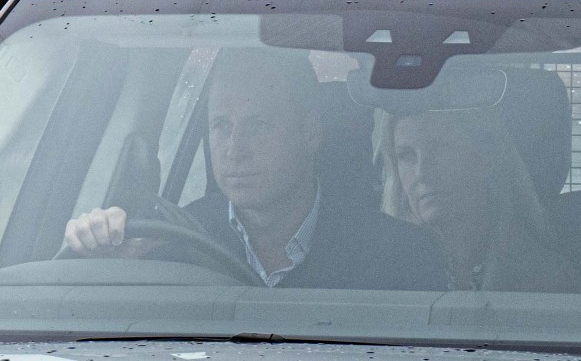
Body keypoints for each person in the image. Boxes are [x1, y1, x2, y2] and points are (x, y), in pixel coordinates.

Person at [64, 48, 446, 291]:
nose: (234, 150)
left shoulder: (401, 257)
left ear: (310, 133)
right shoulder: (165, 245)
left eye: (258, 125)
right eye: (221, 126)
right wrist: (101, 257)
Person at [373, 106, 581, 293]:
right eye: (406, 156)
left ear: (486, 158)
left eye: (441, 148)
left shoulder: (544, 279)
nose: (422, 172)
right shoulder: (376, 274)